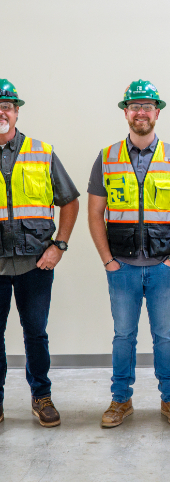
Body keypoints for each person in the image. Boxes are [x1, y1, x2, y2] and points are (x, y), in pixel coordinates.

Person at [87, 80, 170, 428]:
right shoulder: (107, 157)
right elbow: (94, 213)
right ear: (125, 112)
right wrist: (108, 261)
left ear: (157, 112)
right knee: (123, 336)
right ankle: (121, 400)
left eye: (147, 106)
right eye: (135, 106)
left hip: (163, 266)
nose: (141, 112)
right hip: (123, 268)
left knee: (165, 336)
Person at [0, 79, 80, 427]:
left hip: (36, 263)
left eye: (7, 105)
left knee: (36, 333)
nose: (1, 111)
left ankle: (41, 396)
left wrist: (58, 245)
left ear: (16, 111)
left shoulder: (41, 151)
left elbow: (70, 201)